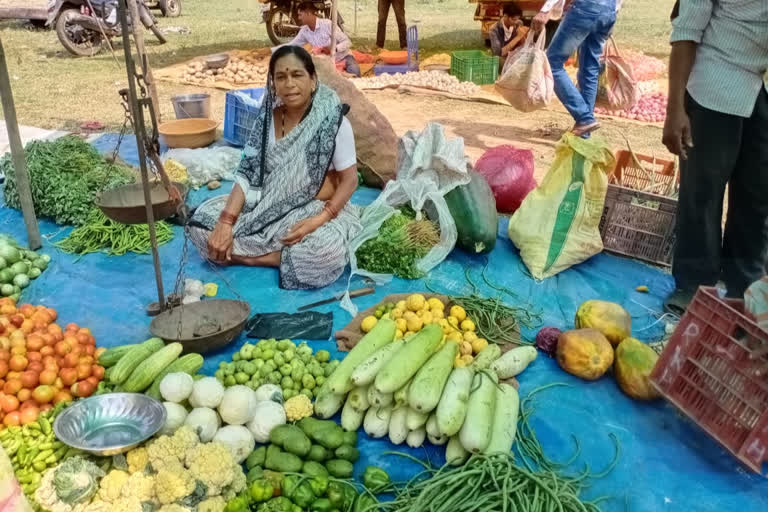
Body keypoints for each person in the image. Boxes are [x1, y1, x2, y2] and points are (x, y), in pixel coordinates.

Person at [188, 46, 362, 290]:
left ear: (313, 81)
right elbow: (247, 173)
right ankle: (279, 257)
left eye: (297, 75)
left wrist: (318, 220)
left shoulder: (332, 123)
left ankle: (250, 258)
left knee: (325, 252)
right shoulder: (266, 120)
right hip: (262, 205)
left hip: (315, 210)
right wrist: (226, 223)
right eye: (281, 77)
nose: (289, 83)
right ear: (273, 84)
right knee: (200, 226)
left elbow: (350, 180)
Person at [661, 0, 768, 315]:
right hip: (712, 85)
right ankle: (693, 286)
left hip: (755, 87)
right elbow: (686, 30)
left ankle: (743, 286)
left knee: (756, 196)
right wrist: (675, 108)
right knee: (702, 195)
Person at [532, 0, 623, 136]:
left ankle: (585, 118)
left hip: (585, 8)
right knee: (590, 69)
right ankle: (585, 130)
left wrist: (546, 9)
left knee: (552, 64)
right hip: (609, 11)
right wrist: (612, 13)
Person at [274, 2, 361, 77]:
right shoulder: (304, 31)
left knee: (356, 74)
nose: (299, 18)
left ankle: (340, 74)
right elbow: (291, 45)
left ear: (308, 13)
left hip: (343, 57)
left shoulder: (327, 24)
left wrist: (334, 48)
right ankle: (339, 74)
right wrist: (271, 51)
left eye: (300, 15)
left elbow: (347, 42)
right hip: (326, 63)